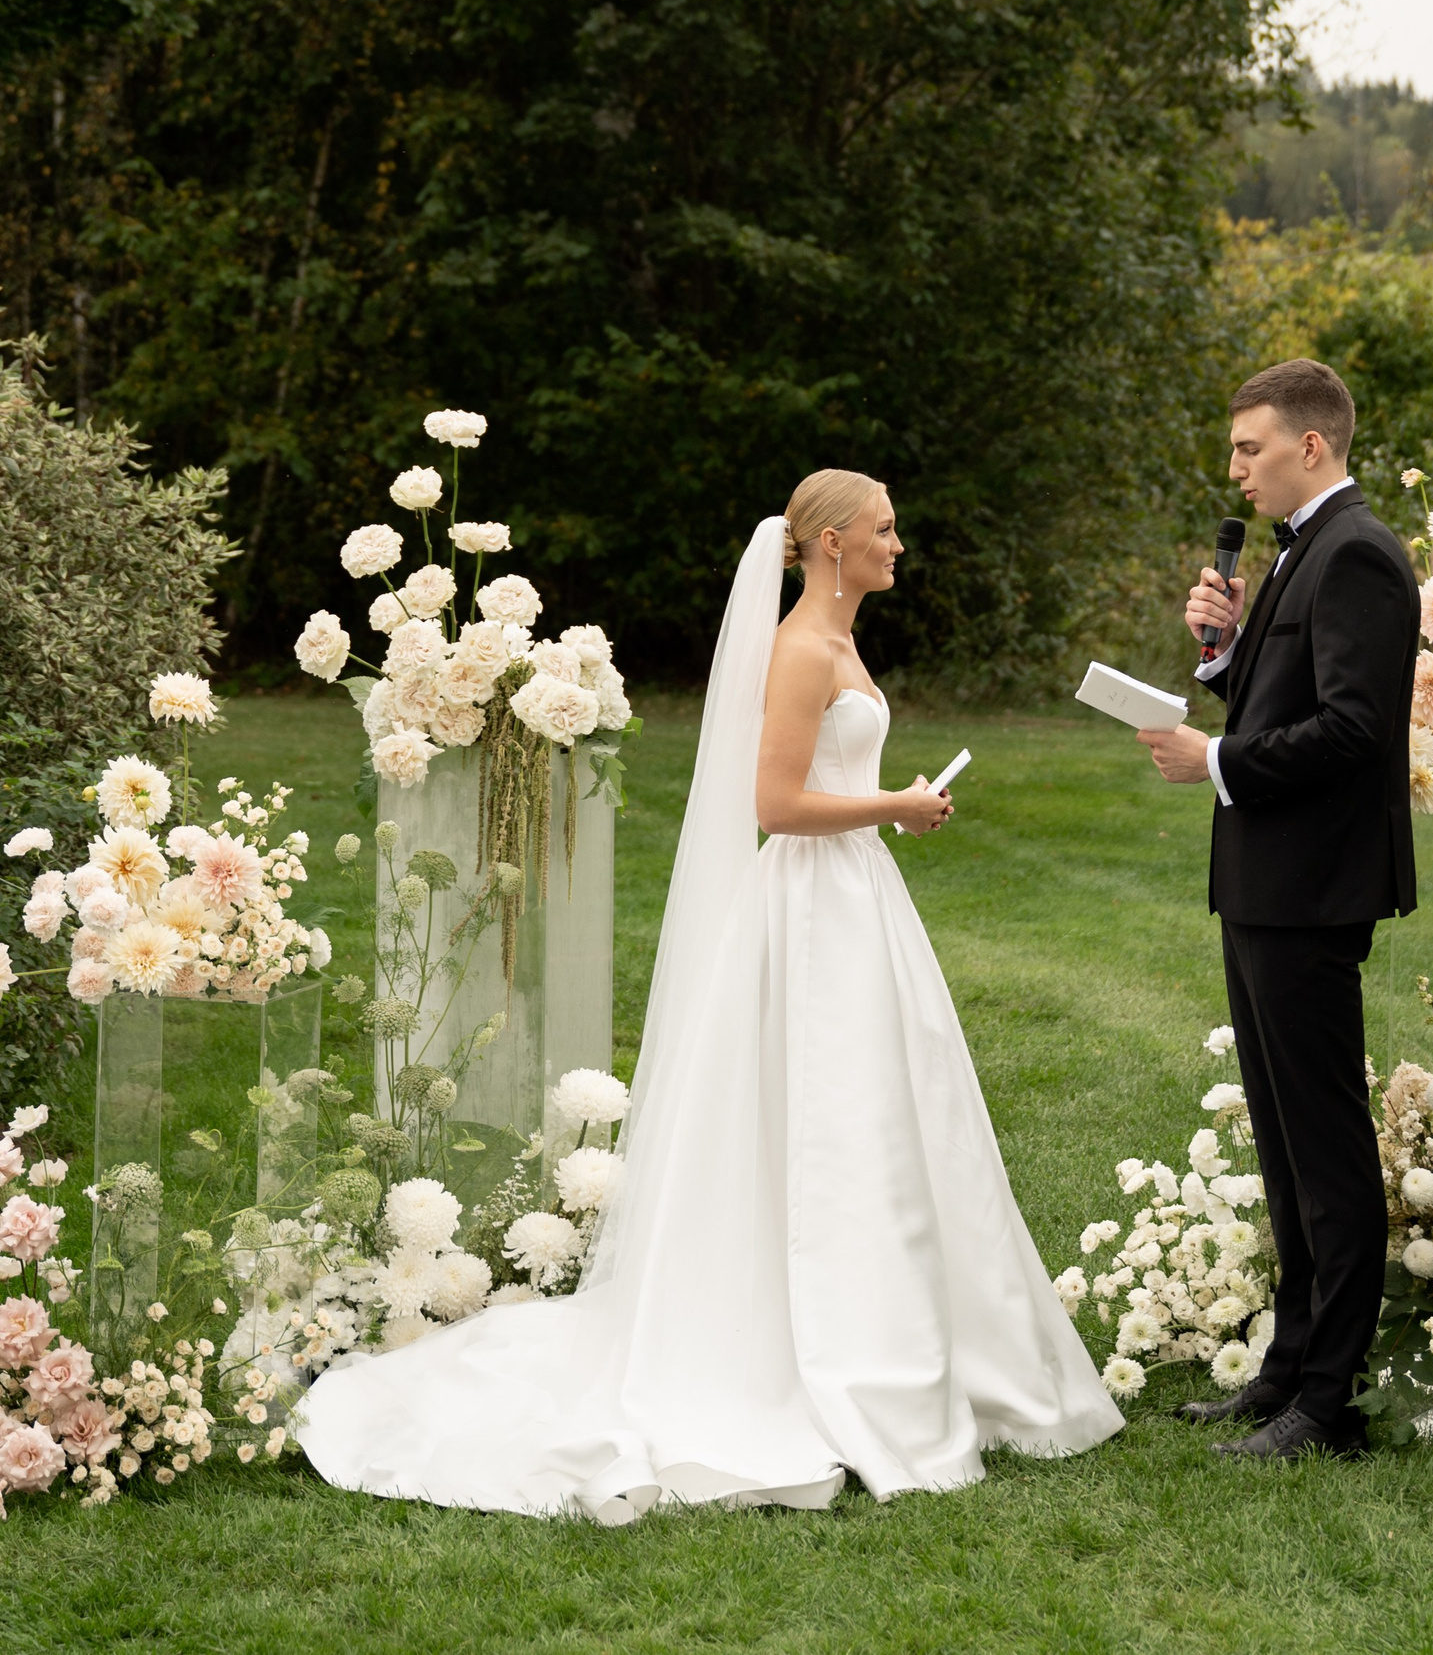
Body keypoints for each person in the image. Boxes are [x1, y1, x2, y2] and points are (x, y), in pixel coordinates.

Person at [299, 469, 1120, 1516]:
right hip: (815, 907)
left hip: (858, 898)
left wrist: (887, 808)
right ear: (832, 544)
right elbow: (774, 804)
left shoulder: (841, 640)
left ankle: (909, 1331)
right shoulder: (804, 649)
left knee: (885, 1115)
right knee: (826, 1110)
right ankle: (823, 1346)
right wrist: (895, 805)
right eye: (883, 530)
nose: (898, 545)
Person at [1136, 360, 1419, 1466]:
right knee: (1285, 1141)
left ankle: (1330, 1401)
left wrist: (1212, 759)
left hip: (1312, 887)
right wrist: (1224, 654)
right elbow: (1284, 694)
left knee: (1327, 1148)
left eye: (1249, 447)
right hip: (1264, 882)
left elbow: (1353, 728)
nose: (1236, 469)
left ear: (1311, 445)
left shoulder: (1359, 553)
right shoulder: (1304, 551)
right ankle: (1287, 1368)